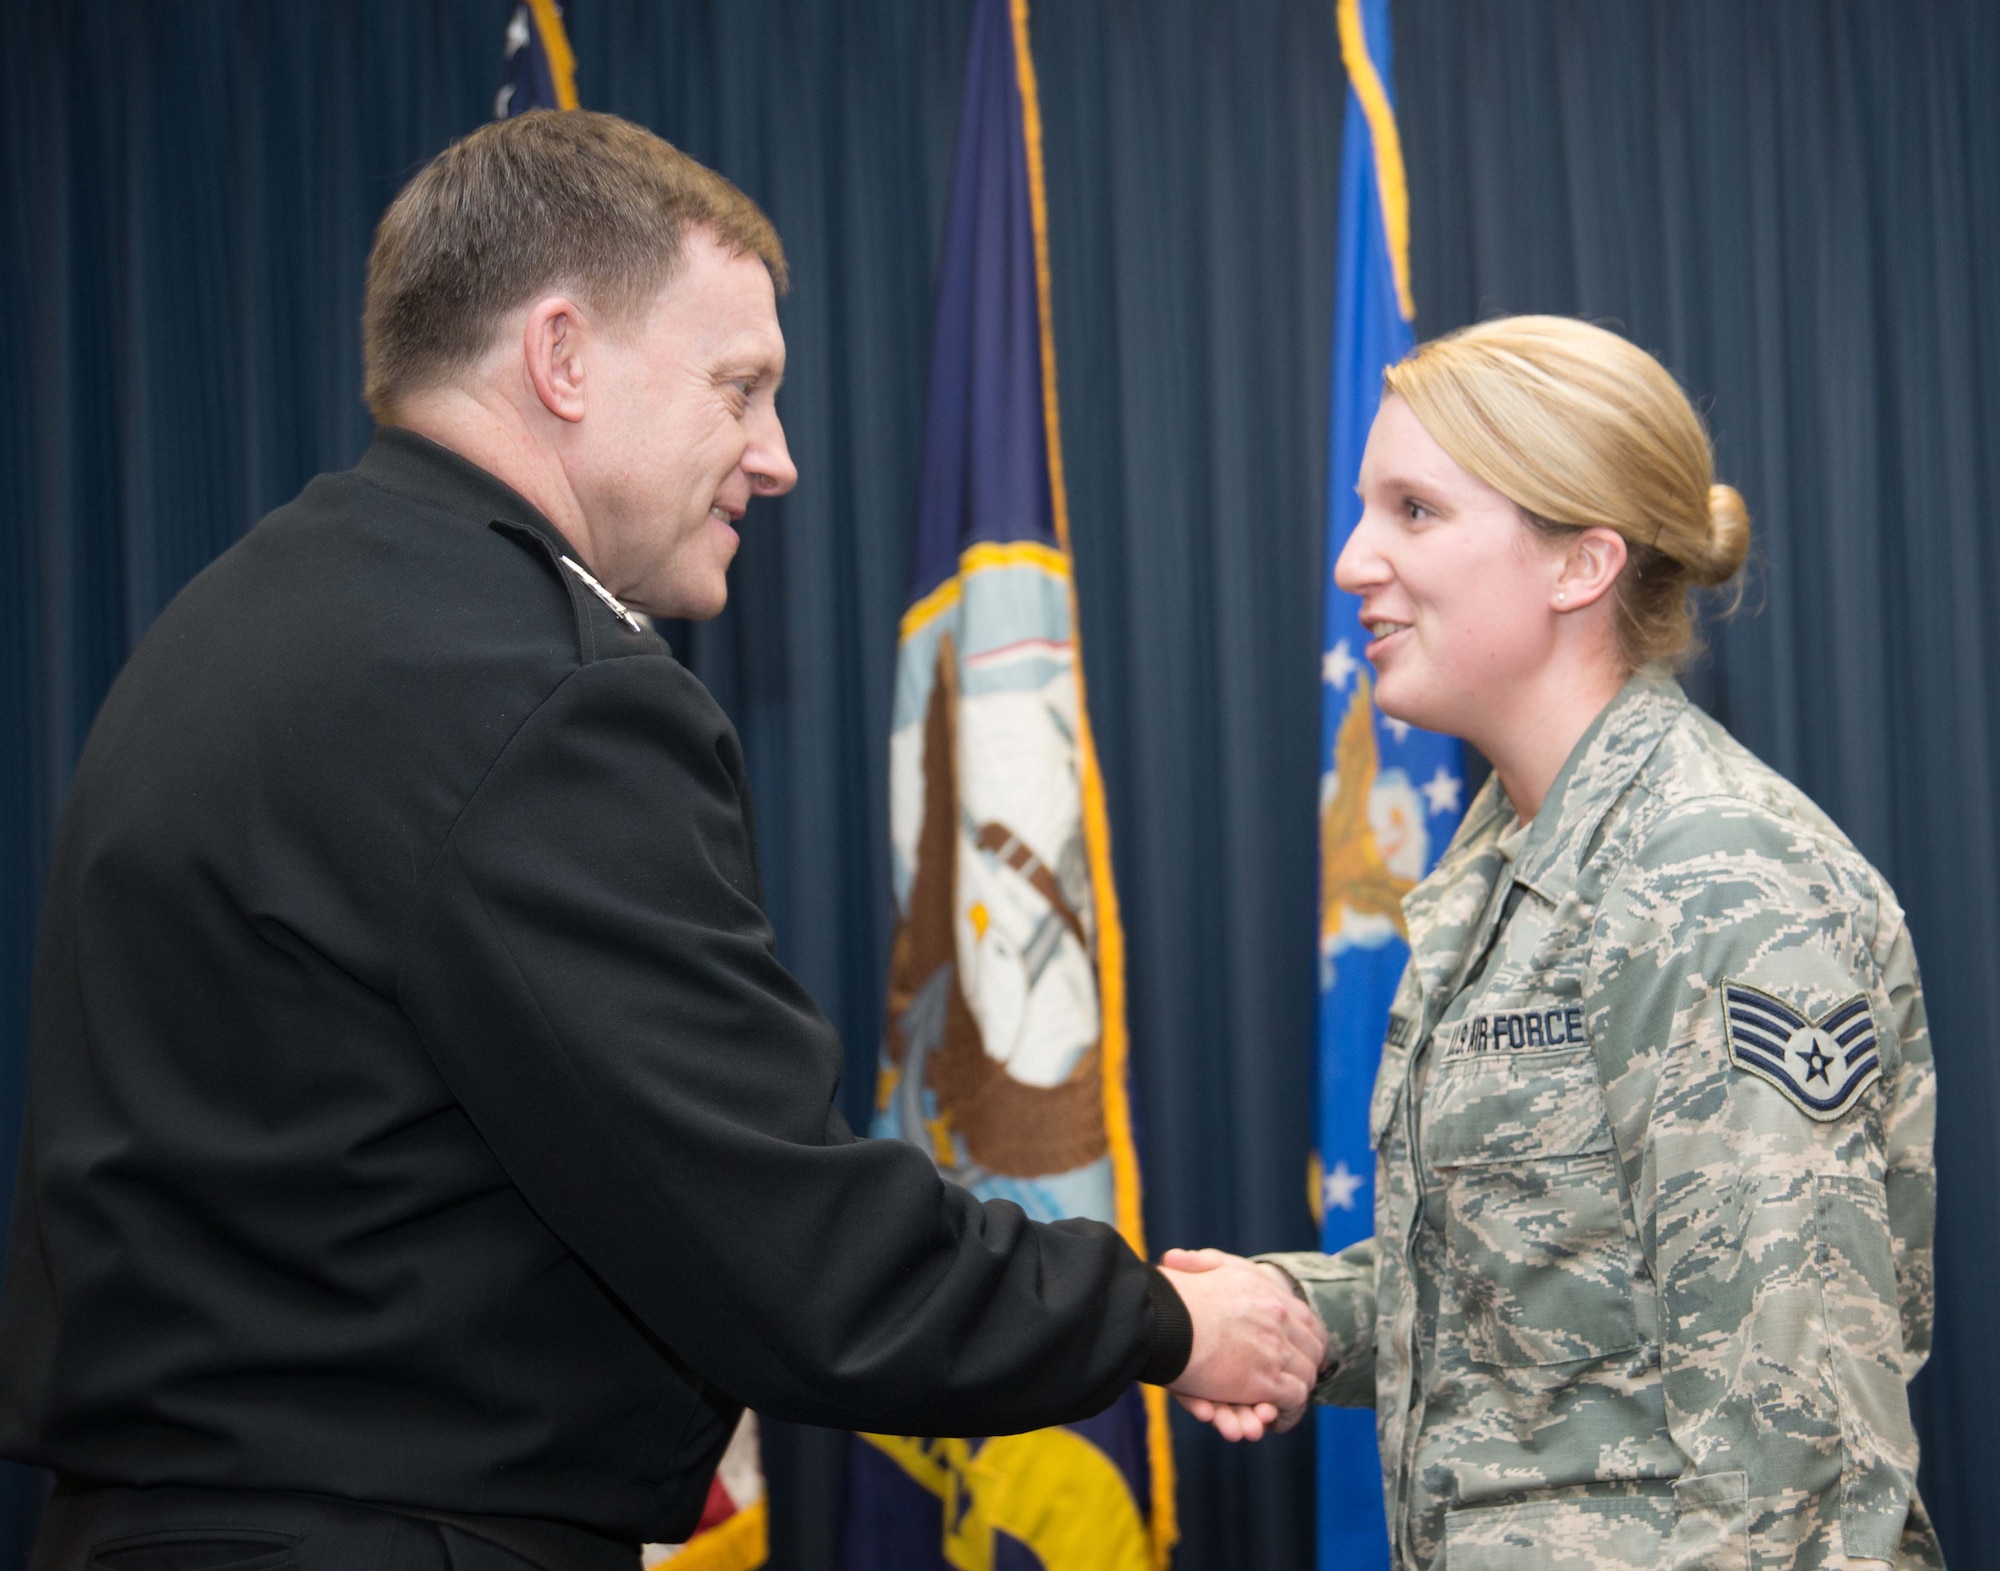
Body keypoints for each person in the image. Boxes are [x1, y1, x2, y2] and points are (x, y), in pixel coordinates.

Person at [0, 111, 1324, 1571]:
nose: (778, 458)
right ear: (561, 358)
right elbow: (794, 1252)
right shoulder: (538, 686)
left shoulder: (234, 623)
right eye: (740, 387)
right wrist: (1168, 1319)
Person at [1190, 316, 1939, 1568]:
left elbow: (1796, 1457)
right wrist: (1280, 1313)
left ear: (1578, 562)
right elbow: (1546, 1297)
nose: (1349, 559)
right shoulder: (1508, 862)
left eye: (1413, 511)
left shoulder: (1711, 879)